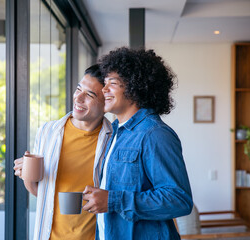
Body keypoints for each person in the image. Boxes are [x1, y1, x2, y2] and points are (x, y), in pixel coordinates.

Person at [82, 47, 193, 239]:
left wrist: (113, 200)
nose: (104, 89)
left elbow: (179, 199)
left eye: (112, 83)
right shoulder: (116, 132)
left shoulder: (155, 134)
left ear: (135, 87)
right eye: (104, 83)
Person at [13, 64, 112, 240]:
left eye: (89, 94)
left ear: (106, 103)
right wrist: (27, 174)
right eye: (78, 89)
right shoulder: (48, 131)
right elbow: (43, 193)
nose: (78, 98)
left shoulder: (113, 140)